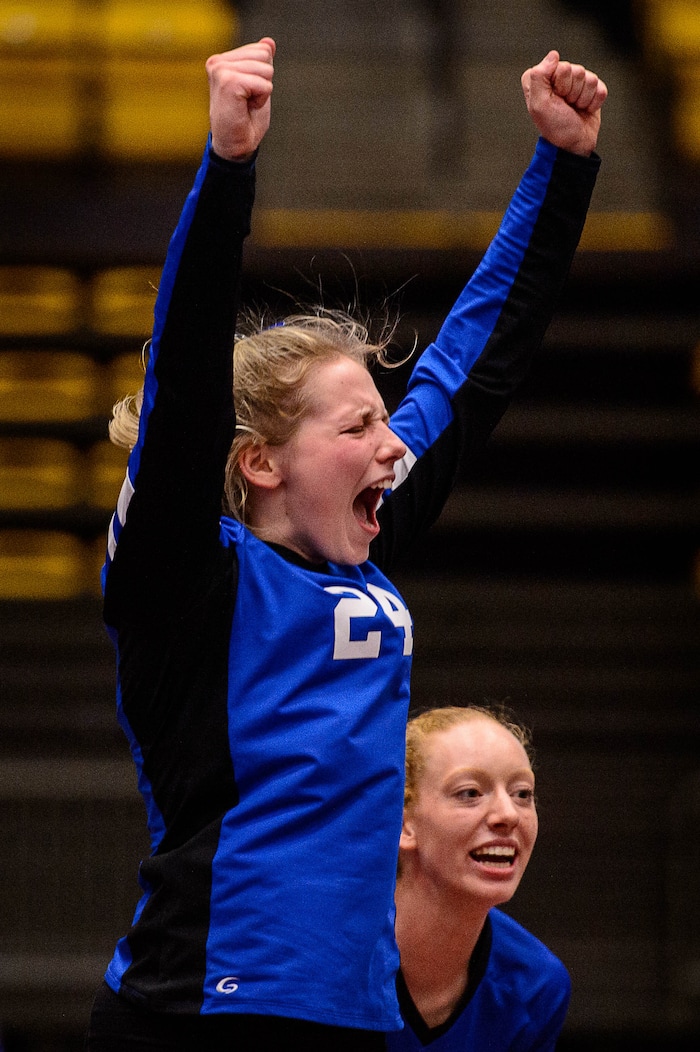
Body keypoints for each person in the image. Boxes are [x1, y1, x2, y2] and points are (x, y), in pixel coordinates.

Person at [86, 35, 606, 1051]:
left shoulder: (362, 540)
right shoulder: (187, 577)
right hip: (200, 1007)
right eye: (359, 425)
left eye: (385, 420)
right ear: (263, 462)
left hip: (351, 1017)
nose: (390, 442)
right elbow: (189, 383)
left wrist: (562, 164)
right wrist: (228, 168)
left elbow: (472, 366)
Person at [388, 706, 567, 1052]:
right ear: (402, 821)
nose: (507, 815)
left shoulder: (537, 984)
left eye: (522, 794)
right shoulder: (327, 961)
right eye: (470, 793)